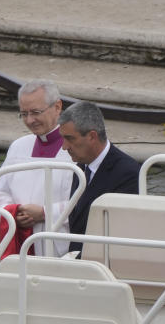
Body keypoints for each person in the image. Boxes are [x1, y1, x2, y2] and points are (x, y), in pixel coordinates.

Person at [0, 79, 76, 256]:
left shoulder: (76, 149)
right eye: (24, 114)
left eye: (36, 112)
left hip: (59, 247)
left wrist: (45, 213)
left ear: (57, 107)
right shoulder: (19, 147)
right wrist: (14, 213)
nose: (30, 120)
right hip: (21, 242)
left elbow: (85, 200)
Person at [59, 101, 140, 253]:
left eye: (70, 139)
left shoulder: (127, 173)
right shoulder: (82, 166)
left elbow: (121, 231)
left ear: (91, 136)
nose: (64, 146)